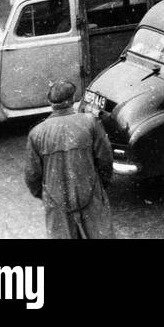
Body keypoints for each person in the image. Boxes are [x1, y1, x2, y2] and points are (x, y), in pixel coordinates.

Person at [23, 79, 114, 239]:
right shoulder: (90, 122)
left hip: (56, 200)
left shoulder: (37, 133)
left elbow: (32, 176)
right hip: (90, 193)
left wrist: (47, 195)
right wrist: (99, 186)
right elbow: (105, 160)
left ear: (50, 103)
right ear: (72, 100)